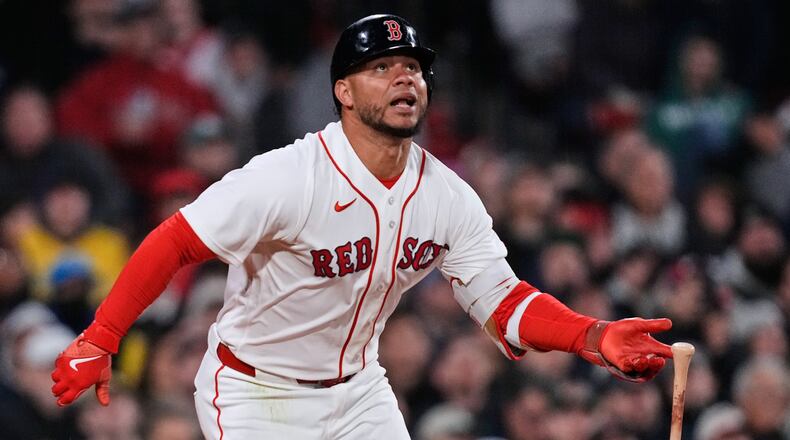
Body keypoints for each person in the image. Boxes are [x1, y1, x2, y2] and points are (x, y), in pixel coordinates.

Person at [51, 14, 675, 439]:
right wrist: (102, 337)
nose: (406, 76)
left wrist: (592, 336)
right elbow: (175, 239)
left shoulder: (446, 194)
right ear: (344, 92)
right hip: (258, 391)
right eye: (383, 67)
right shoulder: (288, 176)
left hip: (358, 392)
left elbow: (503, 302)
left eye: (413, 66)